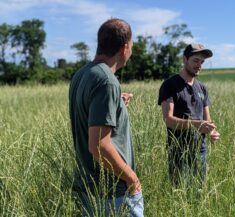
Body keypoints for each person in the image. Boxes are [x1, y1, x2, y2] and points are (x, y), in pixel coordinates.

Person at [69, 18, 143, 216]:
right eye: (132, 46)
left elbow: (88, 109)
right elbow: (99, 146)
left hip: (89, 187)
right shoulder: (107, 82)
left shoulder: (83, 73)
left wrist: (116, 102)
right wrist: (131, 178)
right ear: (124, 48)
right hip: (113, 193)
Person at [158, 43, 220, 186]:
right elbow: (168, 120)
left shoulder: (202, 88)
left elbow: (207, 120)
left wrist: (212, 132)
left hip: (200, 151)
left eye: (202, 62)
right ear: (184, 60)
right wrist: (196, 125)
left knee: (199, 192)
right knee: (179, 194)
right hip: (179, 151)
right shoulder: (170, 85)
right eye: (195, 60)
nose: (199, 65)